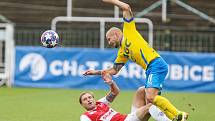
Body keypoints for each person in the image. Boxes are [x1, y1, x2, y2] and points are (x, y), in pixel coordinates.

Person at [83, 0, 188, 121]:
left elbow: (126, 8)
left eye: (109, 39)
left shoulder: (128, 31)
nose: (109, 42)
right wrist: (95, 72)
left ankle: (178, 115)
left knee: (150, 97)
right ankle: (174, 117)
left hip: (156, 63)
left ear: (116, 34)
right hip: (150, 69)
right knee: (149, 101)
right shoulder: (122, 52)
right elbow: (114, 70)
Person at [80, 71, 171, 121]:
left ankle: (157, 111)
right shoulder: (85, 116)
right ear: (82, 104)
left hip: (127, 118)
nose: (88, 100)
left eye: (90, 97)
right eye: (85, 99)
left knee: (142, 90)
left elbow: (115, 92)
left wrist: (111, 83)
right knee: (149, 107)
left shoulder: (100, 103)